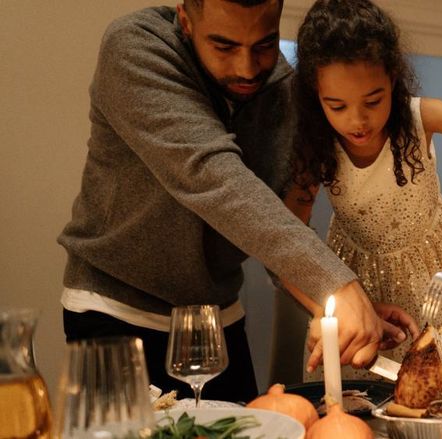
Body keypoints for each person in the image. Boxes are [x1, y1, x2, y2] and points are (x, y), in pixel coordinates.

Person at [57, 0, 403, 403]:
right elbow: (211, 175)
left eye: (265, 44)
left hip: (217, 320)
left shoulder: (285, 91)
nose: (247, 67)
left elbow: (276, 225)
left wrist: (335, 306)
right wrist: (336, 282)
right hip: (114, 310)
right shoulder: (136, 47)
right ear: (186, 20)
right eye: (224, 46)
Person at [285, 0, 442, 380]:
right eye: (336, 106)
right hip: (353, 280)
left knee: (440, 390)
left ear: (393, 80)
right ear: (315, 96)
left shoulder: (419, 116)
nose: (358, 120)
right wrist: (327, 308)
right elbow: (287, 244)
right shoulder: (315, 144)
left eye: (373, 100)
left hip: (433, 280)